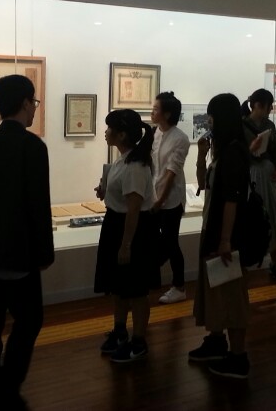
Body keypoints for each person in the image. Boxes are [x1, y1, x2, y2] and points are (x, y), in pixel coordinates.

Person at [0, 74, 54, 409]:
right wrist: (44, 253)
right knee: (29, 321)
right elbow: (37, 205)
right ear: (25, 103)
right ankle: (9, 384)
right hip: (19, 254)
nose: (34, 108)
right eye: (34, 102)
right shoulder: (33, 147)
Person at [188, 93, 252, 379]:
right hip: (213, 229)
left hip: (228, 235)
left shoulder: (235, 152)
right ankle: (216, 341)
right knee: (215, 290)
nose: (209, 121)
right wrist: (201, 156)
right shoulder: (222, 151)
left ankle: (238, 356)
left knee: (231, 295)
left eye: (212, 116)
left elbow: (232, 199)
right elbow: (204, 185)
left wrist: (225, 239)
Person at [95, 109, 159, 363]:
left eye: (109, 128)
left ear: (121, 134)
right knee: (120, 286)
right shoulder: (124, 160)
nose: (106, 132)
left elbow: (134, 208)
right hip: (117, 224)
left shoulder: (135, 166)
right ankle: (120, 331)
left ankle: (139, 341)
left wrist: (126, 245)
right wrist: (105, 191)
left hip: (133, 230)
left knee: (136, 289)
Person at [150, 92, 190, 305]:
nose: (152, 112)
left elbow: (171, 172)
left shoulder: (180, 139)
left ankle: (179, 286)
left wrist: (160, 200)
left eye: (156, 109)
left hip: (172, 198)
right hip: (154, 195)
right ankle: (151, 276)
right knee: (159, 240)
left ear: (167, 114)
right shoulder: (155, 133)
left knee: (170, 242)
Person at [241, 89, 276, 280]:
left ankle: (274, 262)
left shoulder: (269, 125)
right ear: (258, 105)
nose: (271, 109)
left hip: (268, 175)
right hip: (252, 178)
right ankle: (248, 262)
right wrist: (250, 151)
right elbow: (239, 154)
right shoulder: (242, 126)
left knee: (272, 218)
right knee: (254, 219)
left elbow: (275, 150)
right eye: (269, 105)